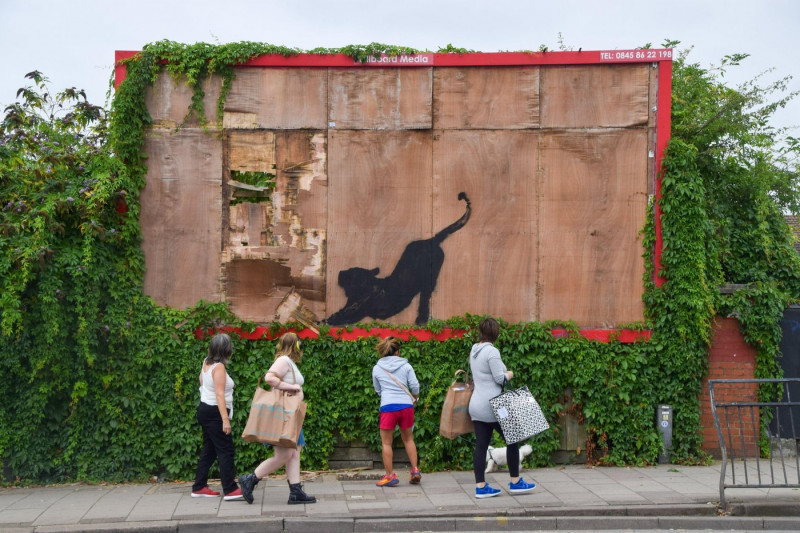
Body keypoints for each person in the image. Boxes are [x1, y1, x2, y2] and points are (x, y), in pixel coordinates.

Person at [238, 332, 316, 505]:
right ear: (295, 345)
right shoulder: (283, 361)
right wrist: (293, 387)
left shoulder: (289, 363)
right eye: (299, 345)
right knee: (285, 454)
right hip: (283, 416)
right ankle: (250, 479)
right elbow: (269, 378)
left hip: (291, 415)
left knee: (295, 453)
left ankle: (295, 492)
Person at [468, 317, 536, 498]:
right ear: (496, 333)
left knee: (481, 446)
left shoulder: (474, 350)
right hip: (494, 406)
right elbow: (500, 378)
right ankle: (515, 482)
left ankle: (480, 487)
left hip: (476, 404)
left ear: (480, 332)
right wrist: (510, 373)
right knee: (513, 439)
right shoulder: (492, 352)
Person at [191, 333, 245, 500]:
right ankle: (230, 489)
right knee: (226, 450)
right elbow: (220, 395)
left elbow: (202, 382)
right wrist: (225, 420)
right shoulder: (219, 367)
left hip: (205, 409)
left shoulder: (206, 362)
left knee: (209, 450)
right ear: (226, 350)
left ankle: (199, 486)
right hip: (215, 412)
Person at [372, 336, 422, 486]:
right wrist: (415, 398)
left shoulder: (377, 368)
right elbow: (415, 386)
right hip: (406, 406)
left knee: (386, 443)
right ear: (397, 352)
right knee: (408, 439)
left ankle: (390, 476)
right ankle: (415, 470)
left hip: (388, 407)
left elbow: (378, 390)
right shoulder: (406, 366)